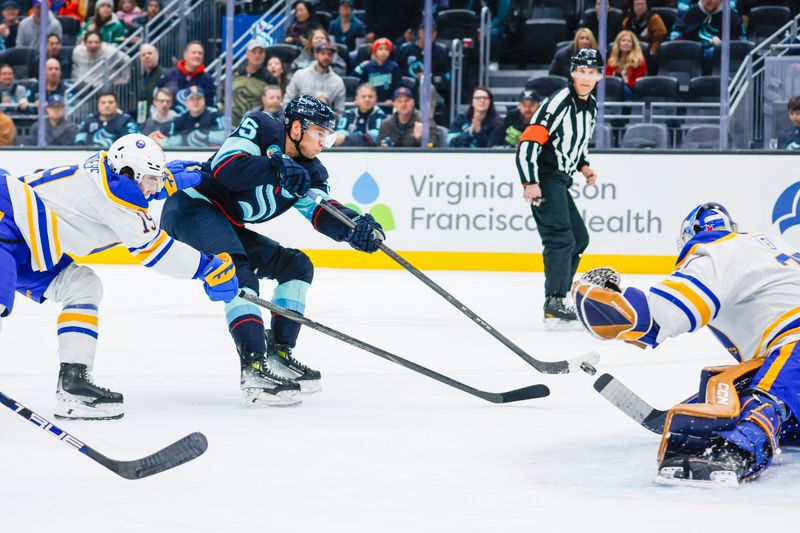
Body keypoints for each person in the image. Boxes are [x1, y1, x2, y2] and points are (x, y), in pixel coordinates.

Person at [159, 94, 385, 407]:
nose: (323, 143)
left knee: (297, 266)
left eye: (328, 136)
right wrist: (275, 168)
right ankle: (253, 368)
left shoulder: (312, 172)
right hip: (191, 207)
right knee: (238, 273)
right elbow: (225, 169)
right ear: (297, 128)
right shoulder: (262, 126)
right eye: (319, 133)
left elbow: (321, 210)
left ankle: (279, 353)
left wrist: (354, 228)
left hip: (226, 223)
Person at [0, 134, 239, 419]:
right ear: (129, 174)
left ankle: (73, 385)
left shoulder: (109, 177)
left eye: (157, 180)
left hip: (26, 245)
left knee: (82, 287)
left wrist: (158, 183)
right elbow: (157, 252)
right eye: (151, 180)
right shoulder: (117, 201)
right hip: (6, 225)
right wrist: (206, 268)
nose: (154, 188)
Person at [572, 203, 800, 485]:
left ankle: (736, 450)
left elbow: (652, 318)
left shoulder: (716, 250)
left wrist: (596, 296)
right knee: (741, 384)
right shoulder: (768, 245)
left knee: (770, 393)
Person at [515, 48, 601, 327]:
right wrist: (530, 182)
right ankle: (554, 301)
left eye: (591, 72)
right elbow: (527, 144)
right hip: (544, 177)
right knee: (561, 238)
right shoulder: (558, 103)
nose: (586, 78)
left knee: (579, 239)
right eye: (581, 71)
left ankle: (559, 298)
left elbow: (578, 141)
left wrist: (583, 166)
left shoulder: (591, 105)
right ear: (572, 73)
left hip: (560, 178)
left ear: (599, 76)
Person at [672, 0, 746, 67]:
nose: (709, 0)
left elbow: (742, 44)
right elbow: (675, 36)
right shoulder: (691, 11)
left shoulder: (732, 16)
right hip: (691, 60)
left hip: (719, 63)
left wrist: (722, 45)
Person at [283, 40, 346, 116]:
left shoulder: (338, 82)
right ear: (316, 55)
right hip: (299, 118)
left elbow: (340, 112)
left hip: (325, 121)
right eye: (323, 53)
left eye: (329, 54)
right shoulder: (300, 75)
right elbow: (287, 102)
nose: (326, 57)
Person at [157, 41, 216, 114]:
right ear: (185, 55)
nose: (197, 56)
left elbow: (211, 105)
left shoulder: (208, 79)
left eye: (200, 53)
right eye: (193, 53)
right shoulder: (168, 75)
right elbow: (157, 100)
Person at [231, 39, 279, 127]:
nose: (257, 55)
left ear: (264, 55)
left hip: (254, 123)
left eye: (260, 52)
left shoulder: (269, 78)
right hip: (230, 121)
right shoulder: (236, 72)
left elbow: (272, 102)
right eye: (254, 52)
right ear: (247, 54)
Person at [377, 86, 443, 147]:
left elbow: (433, 145)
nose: (403, 104)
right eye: (399, 101)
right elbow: (378, 146)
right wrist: (382, 146)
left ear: (413, 102)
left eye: (407, 100)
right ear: (394, 104)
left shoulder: (425, 120)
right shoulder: (386, 124)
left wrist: (420, 139)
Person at [74, 91, 140, 147]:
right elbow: (78, 141)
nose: (107, 105)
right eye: (103, 102)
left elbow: (136, 141)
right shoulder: (89, 120)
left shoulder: (126, 121)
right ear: (98, 105)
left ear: (117, 105)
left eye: (110, 102)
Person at [354, 37, 401, 107]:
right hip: (370, 101)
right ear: (375, 51)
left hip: (388, 102)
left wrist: (392, 99)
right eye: (380, 49)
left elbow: (398, 85)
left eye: (386, 49)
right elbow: (362, 85)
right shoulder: (367, 67)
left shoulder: (394, 67)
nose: (384, 52)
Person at [335, 82, 385, 146]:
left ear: (375, 99)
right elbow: (339, 136)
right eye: (363, 97)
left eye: (370, 97)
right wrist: (362, 138)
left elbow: (375, 137)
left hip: (370, 151)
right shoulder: (348, 114)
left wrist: (348, 138)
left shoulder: (380, 115)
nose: (367, 99)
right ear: (357, 99)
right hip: (348, 150)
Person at [605, 30, 647, 100]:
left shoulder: (639, 61)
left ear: (633, 45)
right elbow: (607, 78)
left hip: (631, 91)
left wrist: (626, 81)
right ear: (619, 44)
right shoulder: (611, 61)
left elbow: (639, 84)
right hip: (613, 90)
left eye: (629, 41)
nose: (626, 43)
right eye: (623, 40)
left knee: (622, 88)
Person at [135, 43, 165, 123]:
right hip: (144, 119)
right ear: (140, 59)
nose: (147, 56)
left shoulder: (164, 75)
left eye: (149, 53)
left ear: (157, 56)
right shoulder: (143, 77)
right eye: (143, 55)